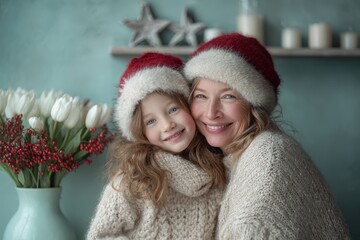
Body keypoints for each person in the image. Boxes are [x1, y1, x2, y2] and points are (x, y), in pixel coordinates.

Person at [183, 33, 351, 239]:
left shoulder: (268, 158)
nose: (211, 112)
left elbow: (254, 227)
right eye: (201, 96)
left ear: (253, 104)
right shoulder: (233, 153)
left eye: (228, 96)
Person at [86, 52, 226, 240]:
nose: (167, 124)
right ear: (139, 132)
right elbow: (102, 235)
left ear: (189, 107)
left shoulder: (216, 170)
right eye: (151, 121)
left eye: (173, 109)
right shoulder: (132, 180)